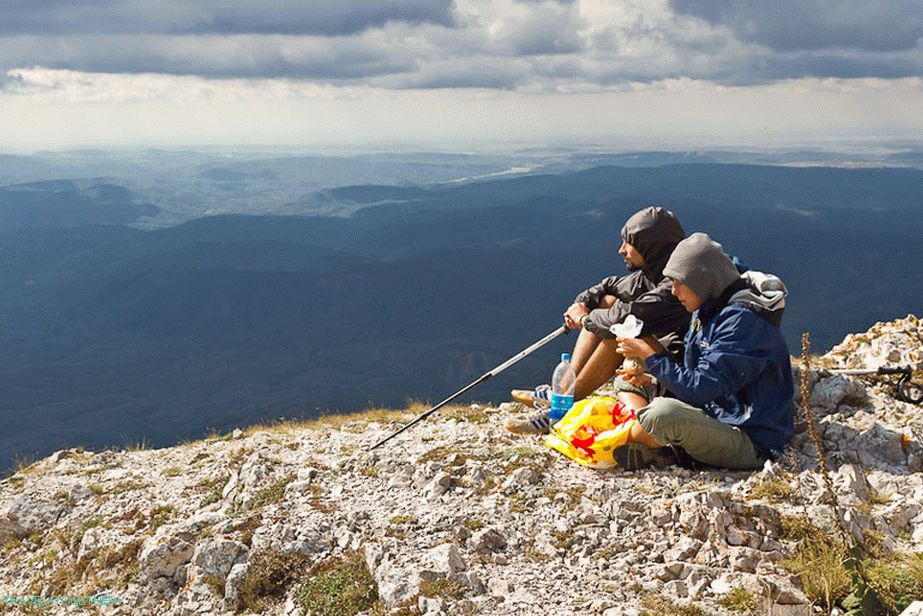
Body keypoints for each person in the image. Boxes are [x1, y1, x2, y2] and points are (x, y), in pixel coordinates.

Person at [613, 232, 794, 470]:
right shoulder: (708, 305)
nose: (674, 291)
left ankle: (641, 438)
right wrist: (653, 377)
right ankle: (657, 442)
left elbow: (699, 389)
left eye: (679, 283)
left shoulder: (741, 323)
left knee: (662, 414)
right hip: (714, 409)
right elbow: (700, 375)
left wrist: (650, 356)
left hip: (750, 439)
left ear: (702, 280)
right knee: (627, 383)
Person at [506, 206, 690, 434]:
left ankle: (564, 407)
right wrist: (582, 303)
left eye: (628, 243)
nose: (621, 250)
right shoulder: (652, 274)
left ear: (648, 247)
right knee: (608, 302)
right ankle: (563, 390)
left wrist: (583, 319)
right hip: (663, 358)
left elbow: (626, 318)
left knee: (623, 330)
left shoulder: (674, 285)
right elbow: (609, 286)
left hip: (682, 372)